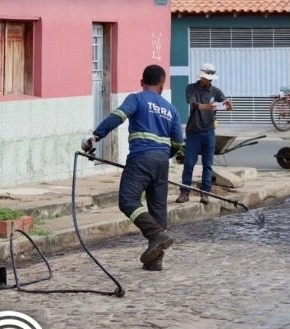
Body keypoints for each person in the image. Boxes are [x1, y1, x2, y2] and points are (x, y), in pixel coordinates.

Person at [82, 65, 182, 272]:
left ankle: (156, 235)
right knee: (158, 209)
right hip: (162, 163)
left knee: (128, 200)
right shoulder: (171, 110)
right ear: (162, 86)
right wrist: (163, 157)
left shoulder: (137, 99)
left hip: (141, 158)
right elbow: (178, 144)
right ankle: (155, 260)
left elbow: (118, 116)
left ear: (141, 82)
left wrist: (96, 136)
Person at [176, 62, 232, 206]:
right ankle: (184, 192)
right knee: (189, 163)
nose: (208, 81)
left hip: (209, 132)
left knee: (208, 164)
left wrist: (228, 104)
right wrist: (204, 106)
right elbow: (192, 103)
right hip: (193, 131)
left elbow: (225, 103)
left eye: (210, 79)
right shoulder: (191, 88)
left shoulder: (216, 92)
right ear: (201, 77)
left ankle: (205, 193)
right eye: (206, 78)